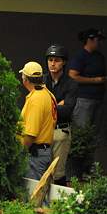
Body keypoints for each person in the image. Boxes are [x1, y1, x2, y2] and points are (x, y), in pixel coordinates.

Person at [44, 44, 78, 185]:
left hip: (60, 129)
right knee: (41, 170)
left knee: (58, 173)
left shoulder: (71, 84)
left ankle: (59, 205)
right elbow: (36, 106)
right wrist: (58, 105)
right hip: (43, 131)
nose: (53, 63)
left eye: (57, 60)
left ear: (63, 62)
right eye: (50, 60)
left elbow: (67, 110)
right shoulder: (43, 80)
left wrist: (48, 106)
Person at [19, 61, 58, 180]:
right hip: (43, 152)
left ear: (25, 80)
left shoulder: (36, 99)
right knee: (40, 194)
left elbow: (30, 135)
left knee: (33, 194)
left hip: (35, 155)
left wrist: (19, 153)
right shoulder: (49, 94)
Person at [68, 28, 107, 129]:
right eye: (98, 40)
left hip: (98, 98)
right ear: (90, 40)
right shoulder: (81, 56)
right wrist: (95, 80)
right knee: (82, 129)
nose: (100, 43)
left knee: (95, 131)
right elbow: (72, 75)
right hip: (84, 99)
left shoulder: (99, 56)